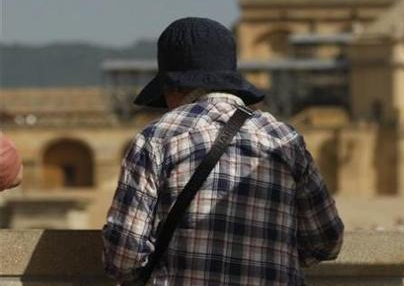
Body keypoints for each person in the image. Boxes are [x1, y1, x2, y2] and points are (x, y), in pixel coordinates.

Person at [102, 17, 344, 285]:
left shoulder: (155, 139)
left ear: (174, 87)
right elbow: (328, 240)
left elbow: (124, 255)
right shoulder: (284, 139)